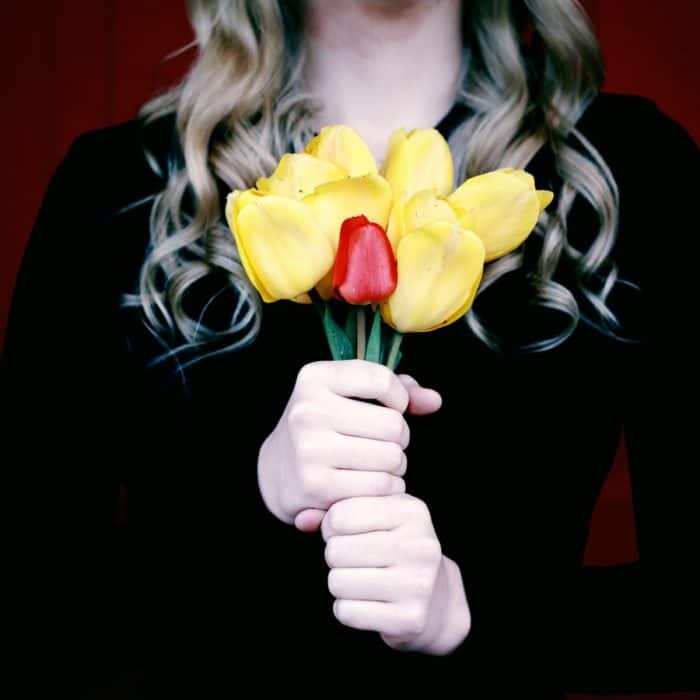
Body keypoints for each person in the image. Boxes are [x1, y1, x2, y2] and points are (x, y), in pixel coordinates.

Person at [3, 0, 698, 697]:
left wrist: (474, 618)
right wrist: (253, 500)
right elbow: (38, 611)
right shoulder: (116, 190)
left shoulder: (630, 174)